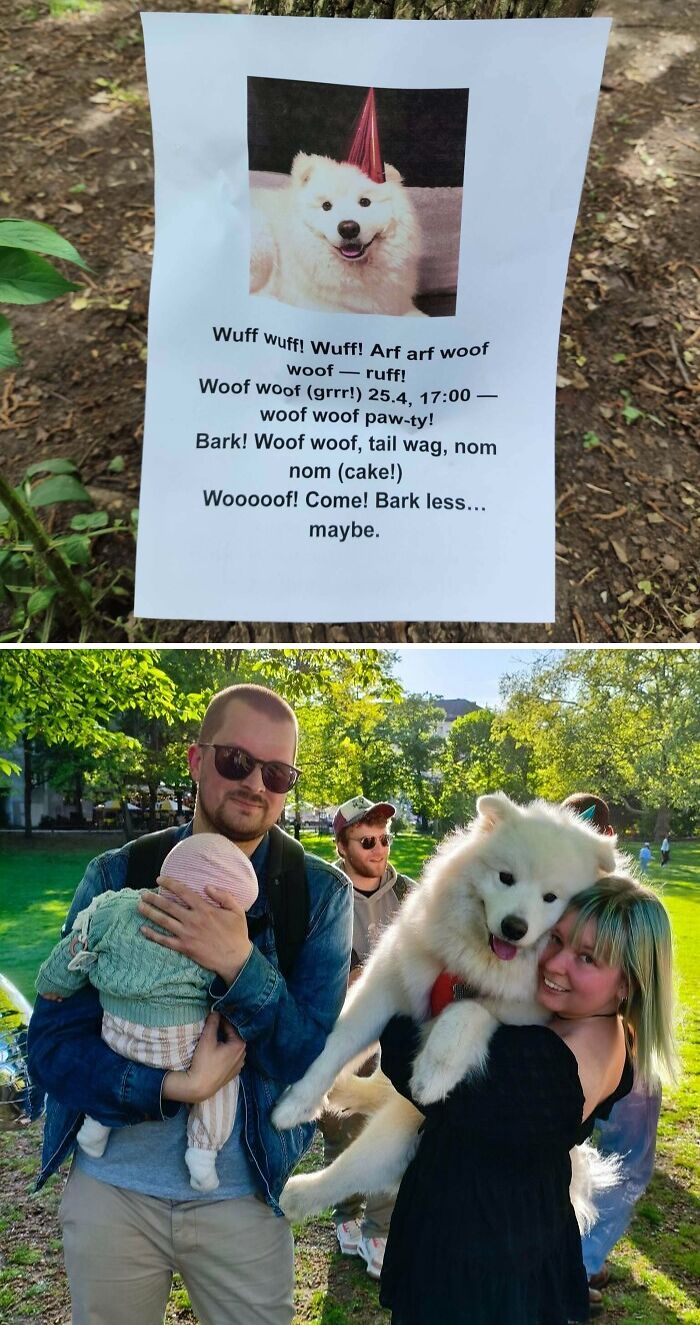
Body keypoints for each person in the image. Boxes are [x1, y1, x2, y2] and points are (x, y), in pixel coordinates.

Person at [27, 683, 353, 1325]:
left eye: (278, 773)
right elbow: (52, 1043)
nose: (255, 784)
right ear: (197, 760)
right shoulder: (119, 875)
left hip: (243, 1197)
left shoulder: (318, 895)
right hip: (112, 1191)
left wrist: (240, 964)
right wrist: (174, 1087)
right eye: (236, 761)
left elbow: (307, 1062)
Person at [376, 873, 677, 1325]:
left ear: (627, 985)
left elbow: (410, 1060)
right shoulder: (605, 1029)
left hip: (477, 1265)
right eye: (556, 938)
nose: (554, 964)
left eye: (587, 958)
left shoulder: (544, 1063)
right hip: (516, 1237)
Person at [34, 834, 259, 1193]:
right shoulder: (212, 945)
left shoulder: (114, 908)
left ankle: (97, 1123)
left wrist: (53, 984)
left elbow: (76, 948)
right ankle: (203, 1153)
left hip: (115, 1037)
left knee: (106, 1066)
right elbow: (243, 1007)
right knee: (221, 1080)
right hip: (180, 1050)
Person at [563, 794, 664, 1315]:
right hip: (594, 1045)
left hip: (614, 1042)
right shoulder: (583, 893)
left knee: (603, 1157)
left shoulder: (601, 894)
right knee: (619, 1160)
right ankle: (576, 1264)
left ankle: (580, 1255)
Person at [322, 795, 414, 1279]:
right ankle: (346, 1214)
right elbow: (302, 967)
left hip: (395, 1033)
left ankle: (380, 1231)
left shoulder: (409, 893)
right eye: (367, 841)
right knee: (341, 1126)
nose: (379, 849)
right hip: (341, 1032)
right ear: (342, 845)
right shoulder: (323, 895)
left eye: (383, 839)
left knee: (389, 1126)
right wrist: (350, 979)